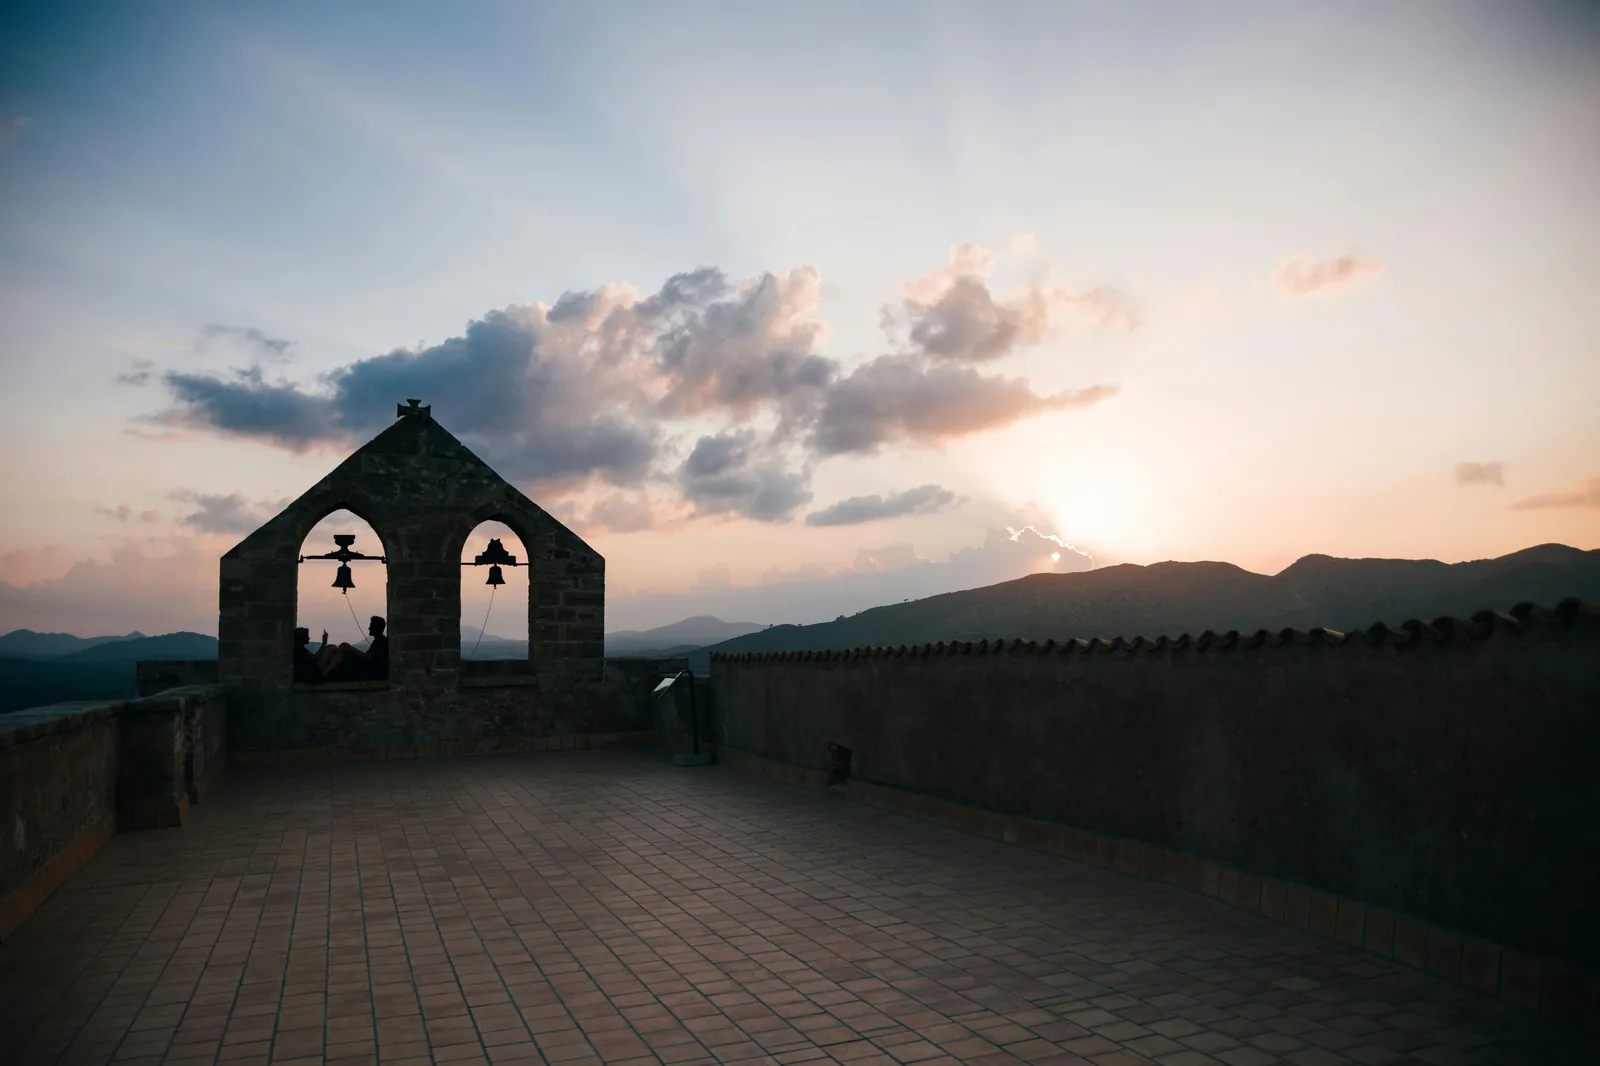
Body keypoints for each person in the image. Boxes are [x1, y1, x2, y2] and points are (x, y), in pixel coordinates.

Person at [318, 616, 389, 682]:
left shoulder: (383, 642)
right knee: (334, 648)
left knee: (344, 646)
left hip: (368, 669)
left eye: (371, 626)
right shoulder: (377, 641)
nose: (369, 628)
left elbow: (371, 658)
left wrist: (353, 651)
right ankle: (323, 671)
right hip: (365, 664)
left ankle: (325, 673)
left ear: (376, 627)